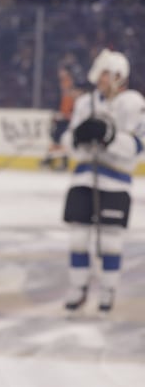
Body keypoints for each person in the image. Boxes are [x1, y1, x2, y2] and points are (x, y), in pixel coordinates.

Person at [61, 49, 145, 313]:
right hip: (84, 176)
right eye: (100, 74)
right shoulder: (85, 103)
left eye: (106, 74)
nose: (101, 79)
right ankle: (78, 287)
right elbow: (69, 142)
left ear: (120, 76)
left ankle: (108, 290)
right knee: (77, 237)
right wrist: (75, 138)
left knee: (111, 241)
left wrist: (109, 136)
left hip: (116, 180)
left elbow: (138, 146)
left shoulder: (133, 103)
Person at [40, 62, 85, 171]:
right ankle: (51, 160)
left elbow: (75, 102)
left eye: (62, 71)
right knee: (56, 138)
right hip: (61, 117)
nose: (60, 73)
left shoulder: (72, 84)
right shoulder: (60, 85)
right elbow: (59, 101)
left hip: (68, 118)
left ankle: (61, 162)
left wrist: (69, 114)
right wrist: (57, 113)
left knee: (64, 139)